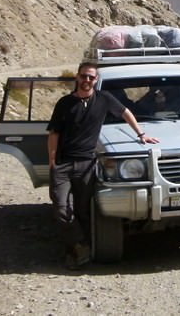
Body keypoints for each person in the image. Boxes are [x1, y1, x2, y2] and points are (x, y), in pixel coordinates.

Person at [47, 61, 159, 268]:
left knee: (83, 211)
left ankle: (78, 251)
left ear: (95, 80)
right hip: (63, 164)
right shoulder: (64, 103)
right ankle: (80, 245)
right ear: (77, 77)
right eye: (83, 76)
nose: (87, 80)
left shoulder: (104, 99)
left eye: (91, 77)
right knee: (62, 209)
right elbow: (54, 133)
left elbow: (125, 112)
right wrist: (52, 161)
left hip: (87, 164)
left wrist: (141, 134)